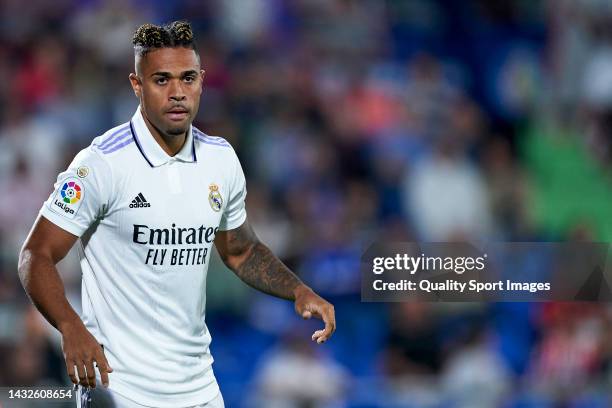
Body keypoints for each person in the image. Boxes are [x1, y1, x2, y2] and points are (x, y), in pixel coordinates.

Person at [17, 21, 336, 408]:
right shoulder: (101, 164)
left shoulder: (221, 159)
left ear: (202, 80)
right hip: (121, 389)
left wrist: (298, 290)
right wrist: (70, 327)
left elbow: (241, 251)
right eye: (161, 80)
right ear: (136, 85)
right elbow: (36, 255)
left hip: (199, 387)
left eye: (187, 78)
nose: (177, 93)